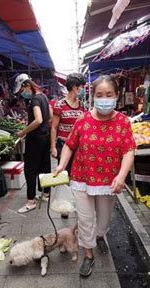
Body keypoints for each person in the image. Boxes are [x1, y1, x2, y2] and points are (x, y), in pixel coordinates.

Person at [54, 75, 136, 277]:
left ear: (117, 96)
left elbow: (128, 150)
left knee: (103, 221)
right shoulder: (83, 120)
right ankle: (88, 255)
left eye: (109, 94)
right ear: (93, 97)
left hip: (108, 181)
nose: (104, 99)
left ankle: (99, 236)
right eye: (99, 95)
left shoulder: (123, 122)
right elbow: (69, 144)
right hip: (81, 177)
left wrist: (122, 175)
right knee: (85, 219)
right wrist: (62, 165)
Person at [13, 73, 51, 213]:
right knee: (44, 166)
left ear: (27, 85)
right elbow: (50, 117)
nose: (23, 94)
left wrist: (23, 132)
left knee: (30, 170)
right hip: (45, 137)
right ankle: (46, 194)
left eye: (22, 90)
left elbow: (38, 120)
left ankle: (30, 201)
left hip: (35, 139)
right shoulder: (44, 97)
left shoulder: (35, 100)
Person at [51, 73, 86, 218]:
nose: (83, 89)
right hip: (63, 145)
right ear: (74, 87)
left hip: (78, 146)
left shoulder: (81, 106)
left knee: (77, 175)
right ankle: (64, 206)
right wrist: (53, 146)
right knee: (64, 175)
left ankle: (76, 203)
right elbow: (54, 127)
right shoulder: (60, 105)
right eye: (81, 87)